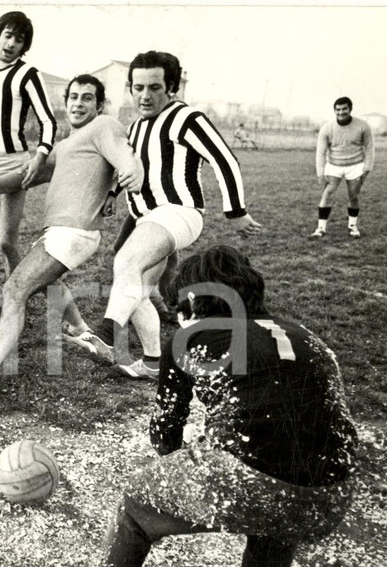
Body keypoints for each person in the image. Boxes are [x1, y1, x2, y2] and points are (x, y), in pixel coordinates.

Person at [42, 245, 357, 567]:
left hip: (251, 482)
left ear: (194, 303)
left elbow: (165, 434)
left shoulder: (191, 337)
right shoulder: (307, 337)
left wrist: (185, 473)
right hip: (331, 493)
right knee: (277, 521)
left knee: (136, 505)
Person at [0, 75, 143, 387]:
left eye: (87, 97)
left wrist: (129, 172)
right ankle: (81, 330)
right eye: (73, 97)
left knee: (14, 290)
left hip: (73, 232)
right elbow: (28, 176)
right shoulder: (64, 146)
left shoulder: (104, 126)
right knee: (47, 281)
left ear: (100, 105)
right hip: (64, 233)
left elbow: (123, 154)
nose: (78, 103)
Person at [74, 51, 263, 381]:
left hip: (179, 211)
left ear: (171, 87)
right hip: (148, 218)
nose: (145, 95)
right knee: (136, 289)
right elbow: (129, 167)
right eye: (138, 88)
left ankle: (105, 335)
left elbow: (224, 160)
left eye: (155, 87)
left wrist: (236, 211)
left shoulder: (186, 118)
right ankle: (152, 361)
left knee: (126, 261)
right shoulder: (136, 127)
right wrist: (113, 195)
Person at [0, 11, 57, 315]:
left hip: (15, 166)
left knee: (6, 241)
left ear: (24, 45)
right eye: (8, 35)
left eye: (20, 39)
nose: (12, 43)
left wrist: (39, 156)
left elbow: (48, 121)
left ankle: (17, 296)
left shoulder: (27, 74)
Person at [311, 97, 374, 239]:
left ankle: (352, 226)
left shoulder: (363, 126)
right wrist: (320, 173)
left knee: (353, 195)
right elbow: (320, 152)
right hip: (334, 165)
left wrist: (367, 168)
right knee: (327, 194)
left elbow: (370, 147)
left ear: (350, 109)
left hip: (355, 165)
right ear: (334, 110)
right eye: (338, 109)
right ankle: (321, 228)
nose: (341, 112)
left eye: (344, 109)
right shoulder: (327, 128)